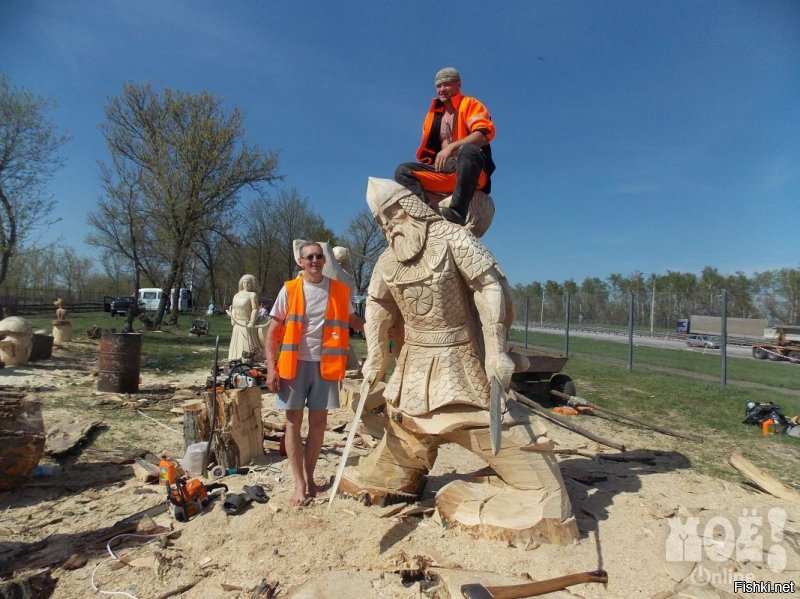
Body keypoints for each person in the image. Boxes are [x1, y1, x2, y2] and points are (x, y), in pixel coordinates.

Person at [265, 242, 363, 505]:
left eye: (319, 256)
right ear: (301, 261)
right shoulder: (290, 289)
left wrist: (381, 324)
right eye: (310, 257)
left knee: (319, 425)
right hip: (293, 366)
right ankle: (298, 485)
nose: (315, 260)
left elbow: (354, 321)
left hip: (326, 366)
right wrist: (270, 367)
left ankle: (310, 479)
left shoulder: (339, 291)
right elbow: (272, 332)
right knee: (293, 424)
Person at [394, 67, 496, 226]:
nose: (442, 89)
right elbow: (428, 152)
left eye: (446, 84)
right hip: (445, 172)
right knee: (402, 171)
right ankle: (429, 215)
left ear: (458, 84)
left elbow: (484, 134)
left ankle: (457, 212)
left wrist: (451, 147)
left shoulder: (470, 104)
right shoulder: (433, 115)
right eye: (438, 86)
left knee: (468, 150)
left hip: (473, 172)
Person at [226, 275, 261, 361]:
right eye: (244, 282)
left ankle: (248, 358)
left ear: (252, 284)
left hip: (246, 323)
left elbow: (255, 309)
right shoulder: (236, 295)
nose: (246, 284)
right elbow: (233, 308)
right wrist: (232, 318)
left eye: (248, 282)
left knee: (247, 343)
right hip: (237, 324)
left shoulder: (252, 295)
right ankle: (235, 357)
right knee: (237, 342)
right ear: (242, 283)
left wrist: (252, 321)